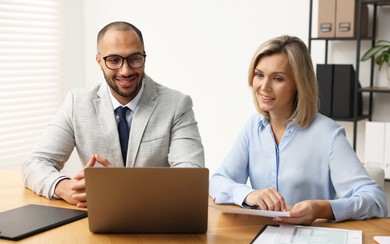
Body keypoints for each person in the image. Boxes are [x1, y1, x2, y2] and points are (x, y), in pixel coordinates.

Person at [22, 21, 205, 207]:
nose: (125, 71)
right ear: (99, 61)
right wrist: (64, 187)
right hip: (97, 218)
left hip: (156, 216)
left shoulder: (176, 104)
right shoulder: (77, 103)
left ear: (144, 57)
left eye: (134, 58)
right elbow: (35, 164)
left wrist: (124, 187)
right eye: (114, 60)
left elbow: (191, 176)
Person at [209, 35, 388, 224]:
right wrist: (248, 194)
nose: (264, 87)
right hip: (258, 236)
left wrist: (323, 208)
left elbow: (376, 199)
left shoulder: (328, 134)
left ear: (298, 84)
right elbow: (217, 181)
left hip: (308, 242)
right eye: (259, 75)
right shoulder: (253, 128)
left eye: (278, 78)